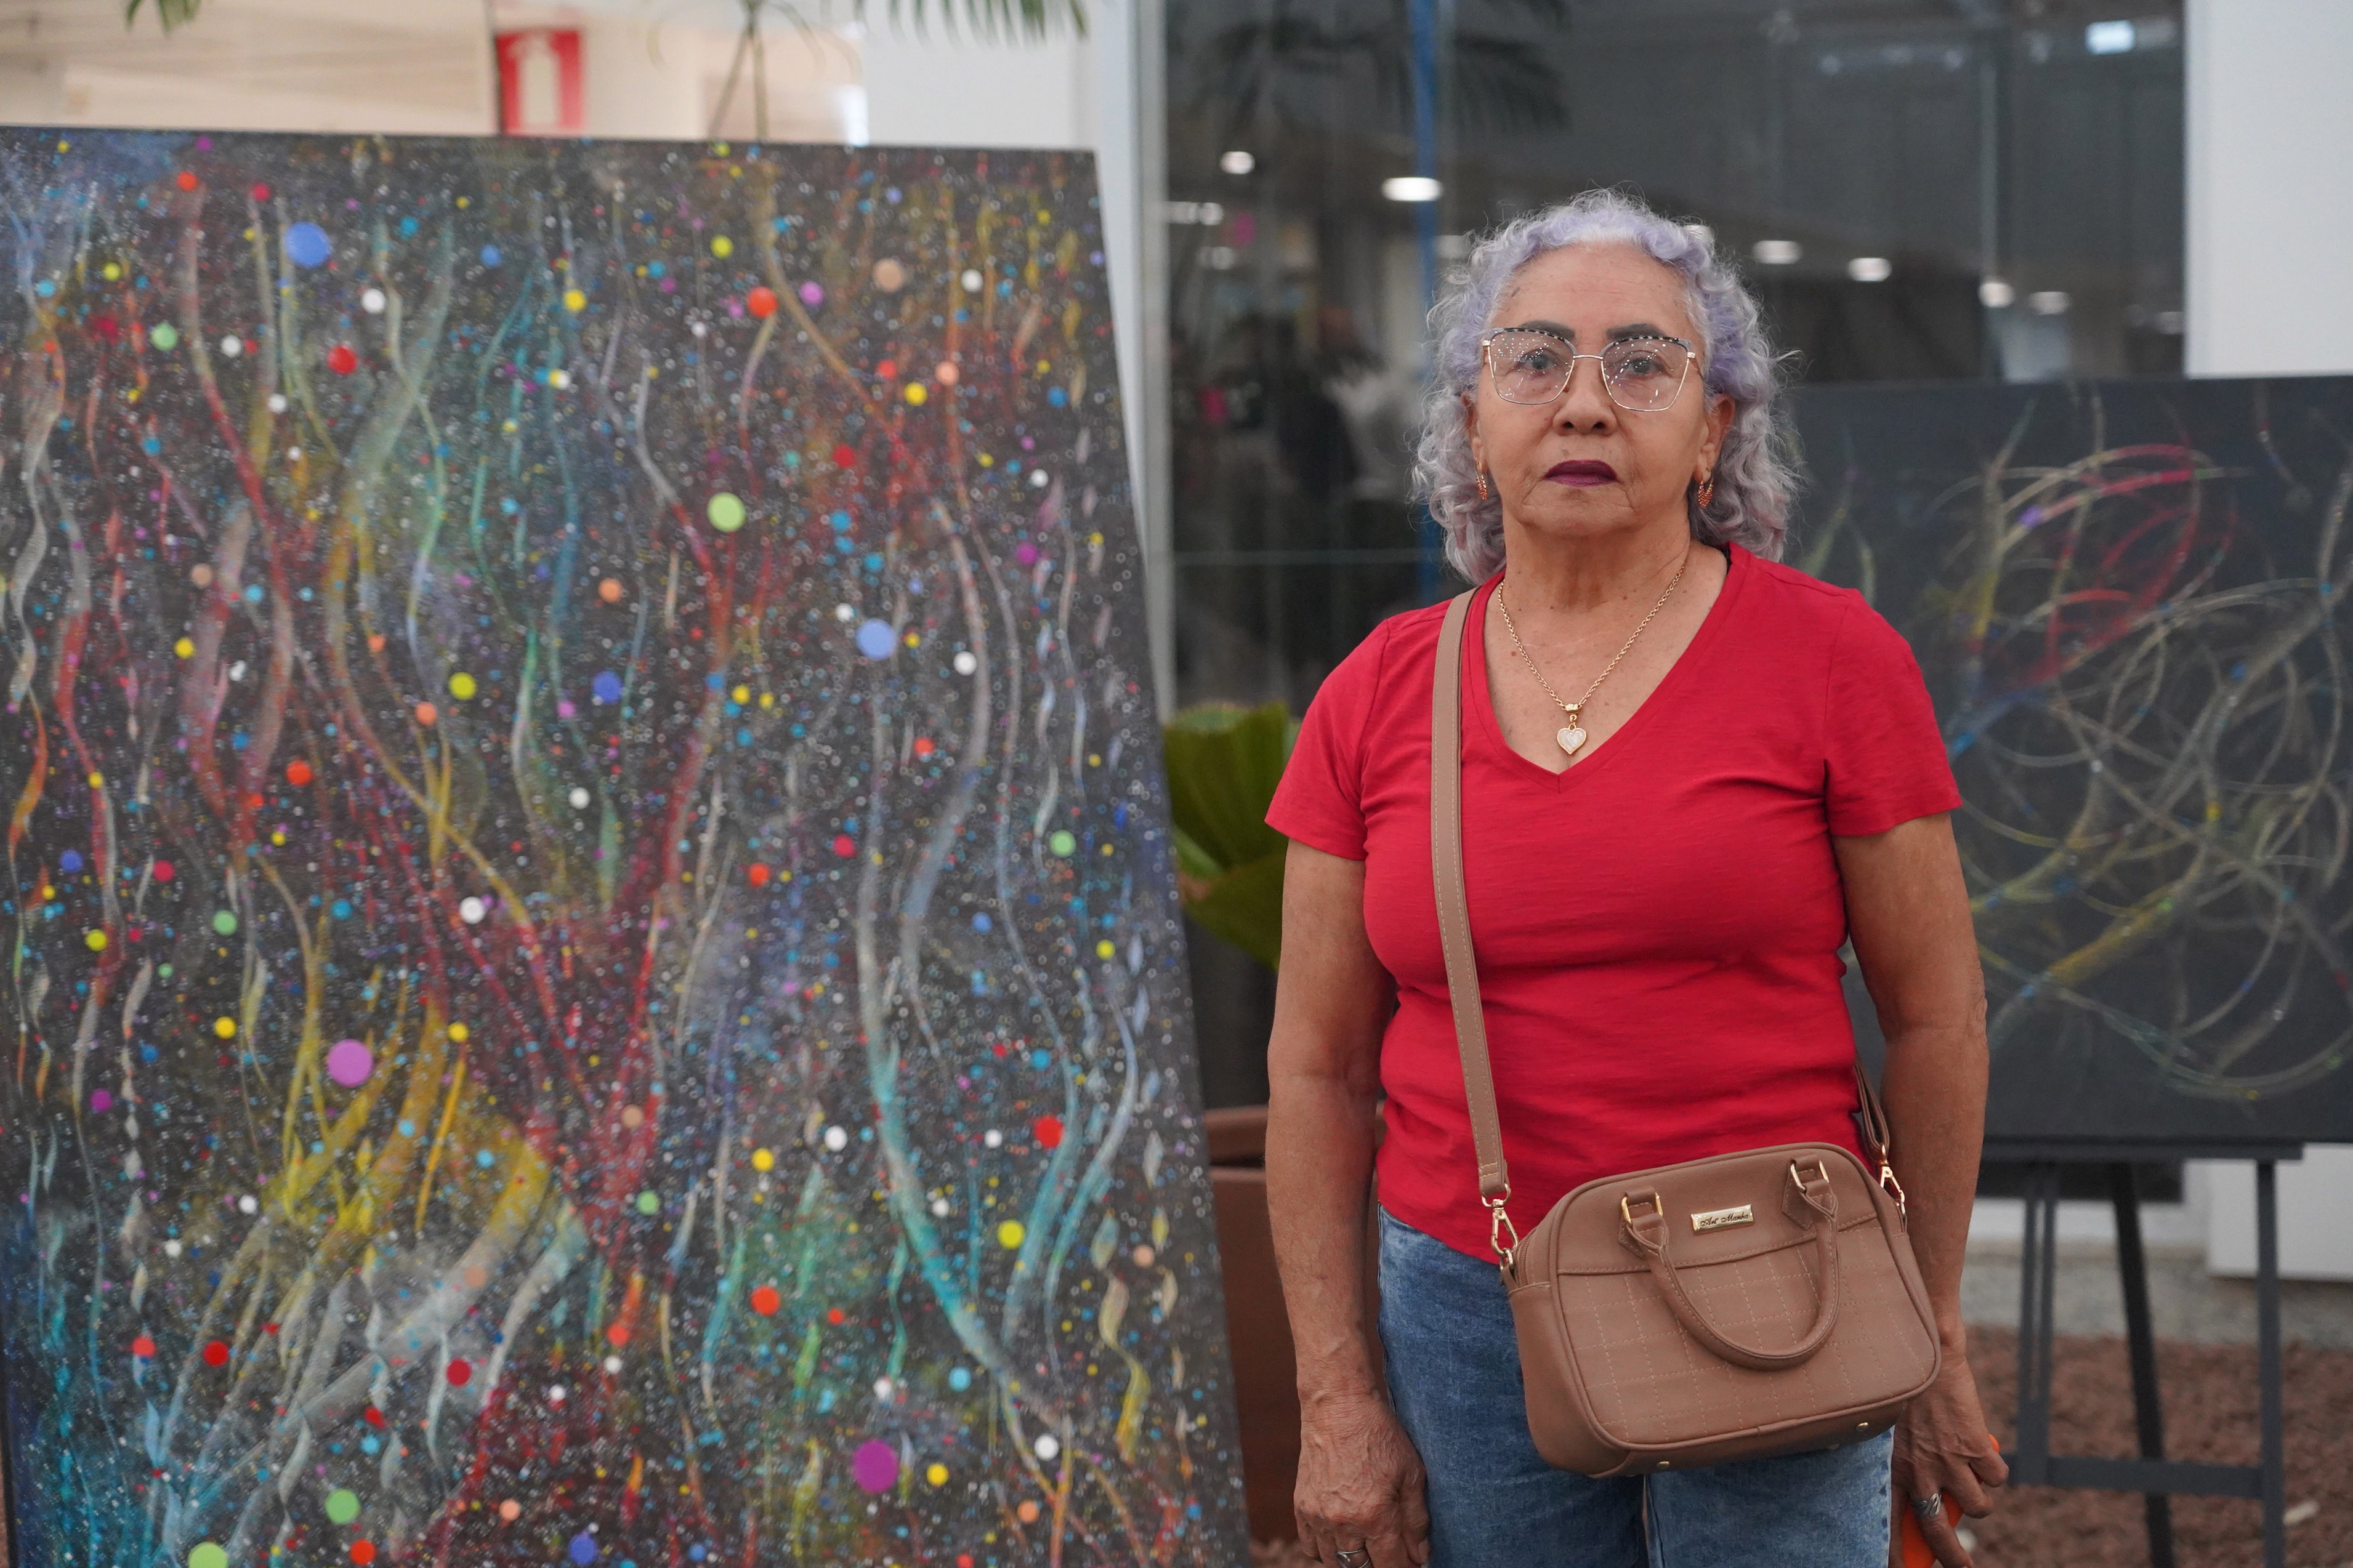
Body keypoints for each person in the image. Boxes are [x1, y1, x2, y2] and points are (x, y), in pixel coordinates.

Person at [1260, 188, 2008, 1568]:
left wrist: (1935, 1323)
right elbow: (1314, 1070)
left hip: (1784, 1271)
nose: (1585, 405)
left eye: (1643, 363)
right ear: (1472, 421)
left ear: (1715, 427)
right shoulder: (1376, 691)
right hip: (1471, 1303)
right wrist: (1334, 1396)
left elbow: (1937, 1017)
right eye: (1535, 359)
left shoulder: (1834, 659)